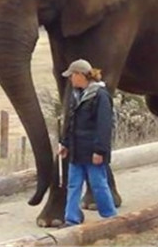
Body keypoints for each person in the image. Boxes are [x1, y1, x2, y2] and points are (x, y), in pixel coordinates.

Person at [58, 59, 117, 226]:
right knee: (73, 185)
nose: (70, 79)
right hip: (76, 151)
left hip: (92, 152)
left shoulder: (101, 96)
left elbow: (104, 126)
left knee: (99, 185)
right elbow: (70, 123)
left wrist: (100, 151)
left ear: (80, 75)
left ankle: (111, 218)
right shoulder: (75, 95)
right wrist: (64, 143)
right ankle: (71, 220)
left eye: (72, 75)